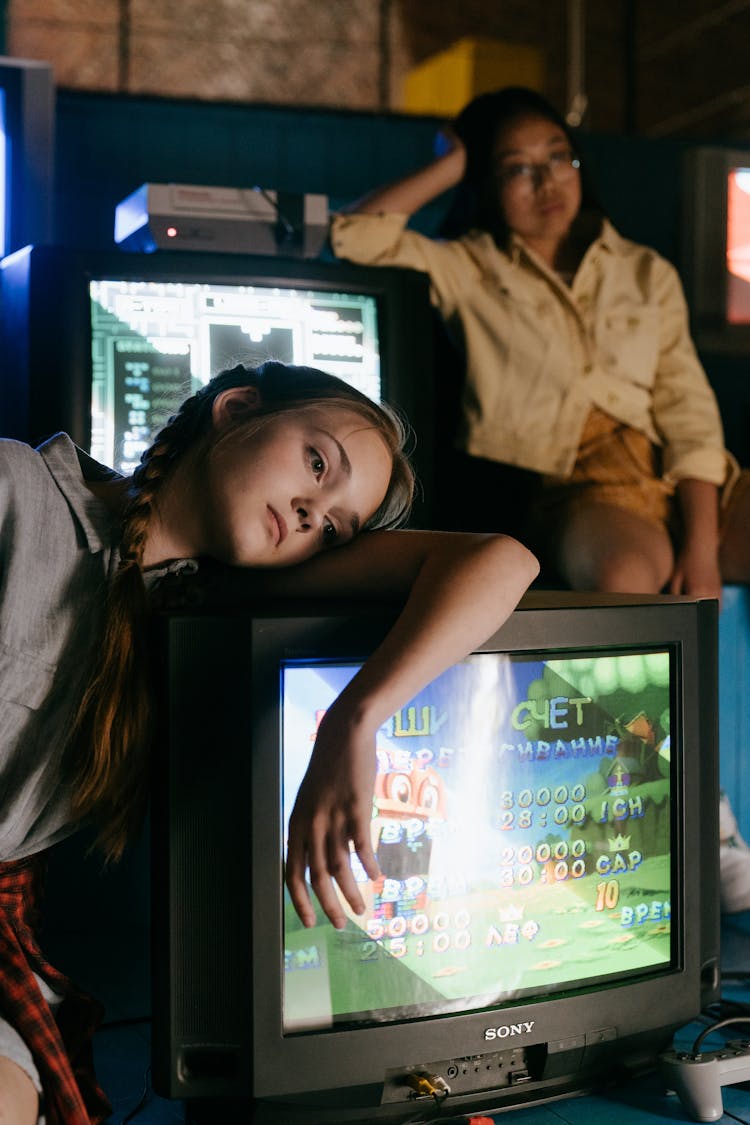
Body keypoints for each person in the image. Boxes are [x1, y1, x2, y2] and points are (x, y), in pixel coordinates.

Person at [0, 359, 538, 1124]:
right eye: (318, 462)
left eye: (334, 526)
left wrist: (356, 719)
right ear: (238, 408)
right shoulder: (17, 490)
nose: (312, 511)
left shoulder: (210, 593)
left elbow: (503, 560)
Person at [329, 85, 743, 600]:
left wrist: (700, 547)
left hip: (683, 475)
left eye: (557, 157)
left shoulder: (642, 269)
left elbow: (688, 407)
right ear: (487, 181)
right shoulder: (468, 266)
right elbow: (353, 237)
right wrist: (454, 162)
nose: (547, 181)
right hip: (576, 489)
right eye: (517, 168)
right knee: (625, 576)